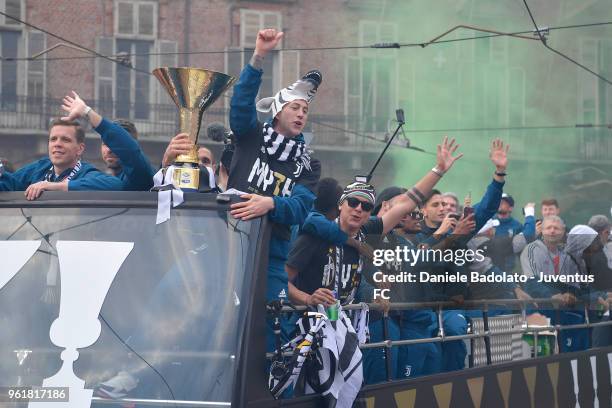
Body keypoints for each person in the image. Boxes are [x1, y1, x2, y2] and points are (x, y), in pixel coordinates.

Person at [0, 118, 124, 199]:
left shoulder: (86, 173)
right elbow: (10, 183)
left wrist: (55, 186)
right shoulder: (38, 168)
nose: (57, 144)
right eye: (53, 139)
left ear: (80, 149)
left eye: (65, 140)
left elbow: (116, 185)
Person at [520, 216, 590, 352]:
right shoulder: (531, 250)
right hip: (539, 314)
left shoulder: (568, 255)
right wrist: (553, 295)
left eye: (556, 228)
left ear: (563, 231)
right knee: (542, 362)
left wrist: (570, 294)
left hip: (565, 315)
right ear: (542, 231)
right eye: (548, 228)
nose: (552, 231)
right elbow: (531, 283)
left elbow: (576, 286)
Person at [60, 91, 155, 191]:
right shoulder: (99, 177)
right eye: (106, 144)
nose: (109, 150)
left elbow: (130, 152)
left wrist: (86, 111)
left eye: (116, 145)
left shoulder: (141, 174)